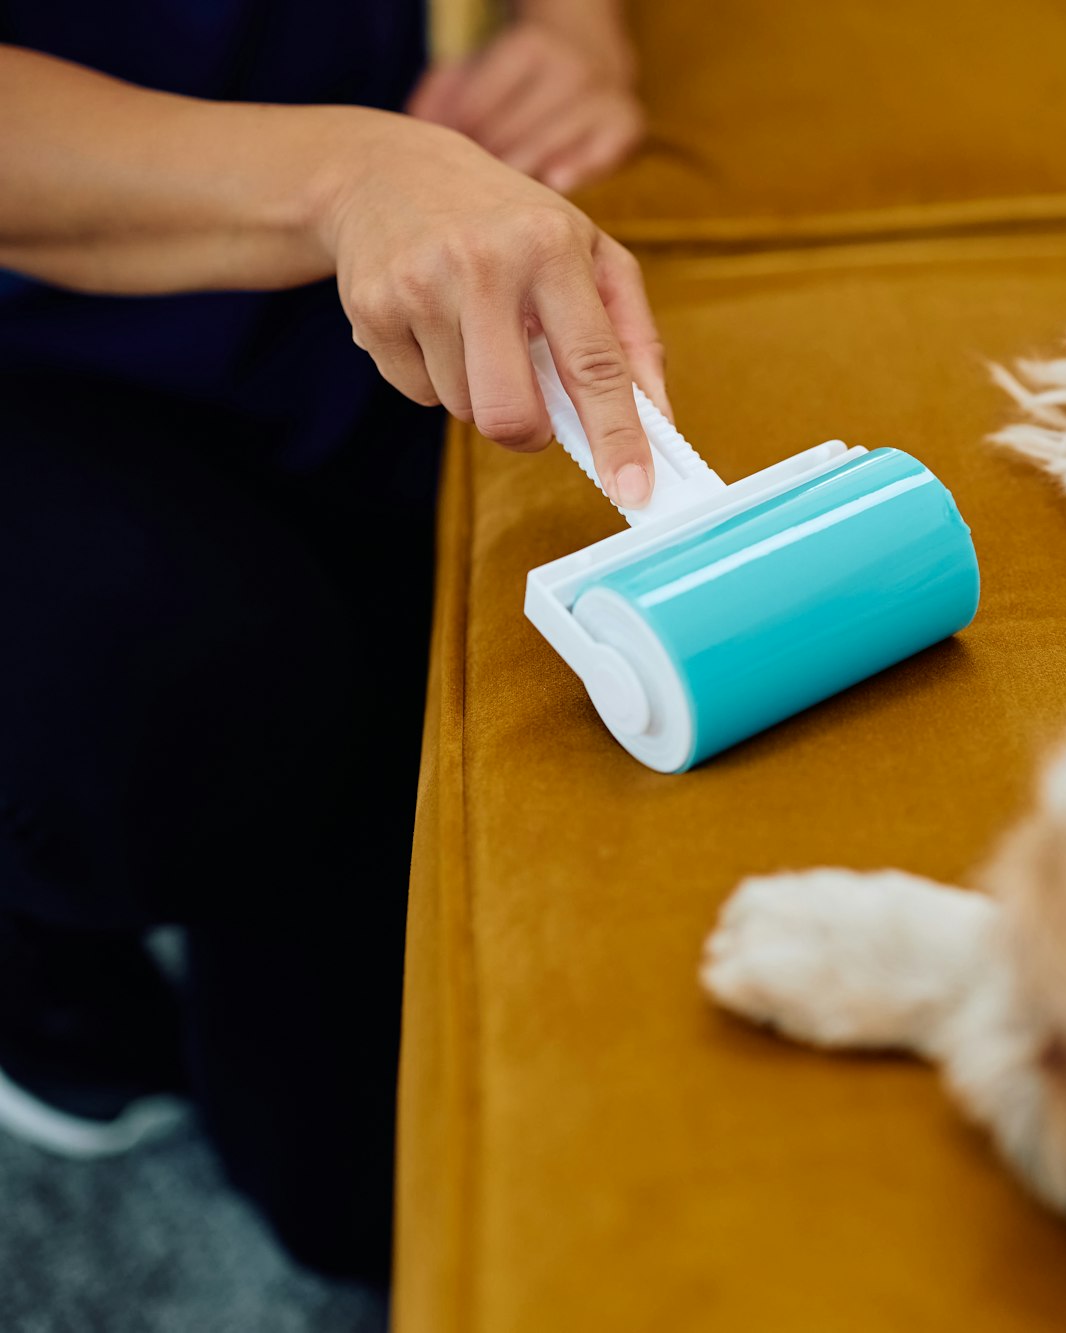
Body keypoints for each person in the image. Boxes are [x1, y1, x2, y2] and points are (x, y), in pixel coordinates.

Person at [0, 0, 662, 1285]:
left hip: (351, 205)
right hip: (39, 324)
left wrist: (576, 31)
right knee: (140, 722)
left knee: (368, 1193)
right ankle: (46, 979)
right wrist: (346, 176)